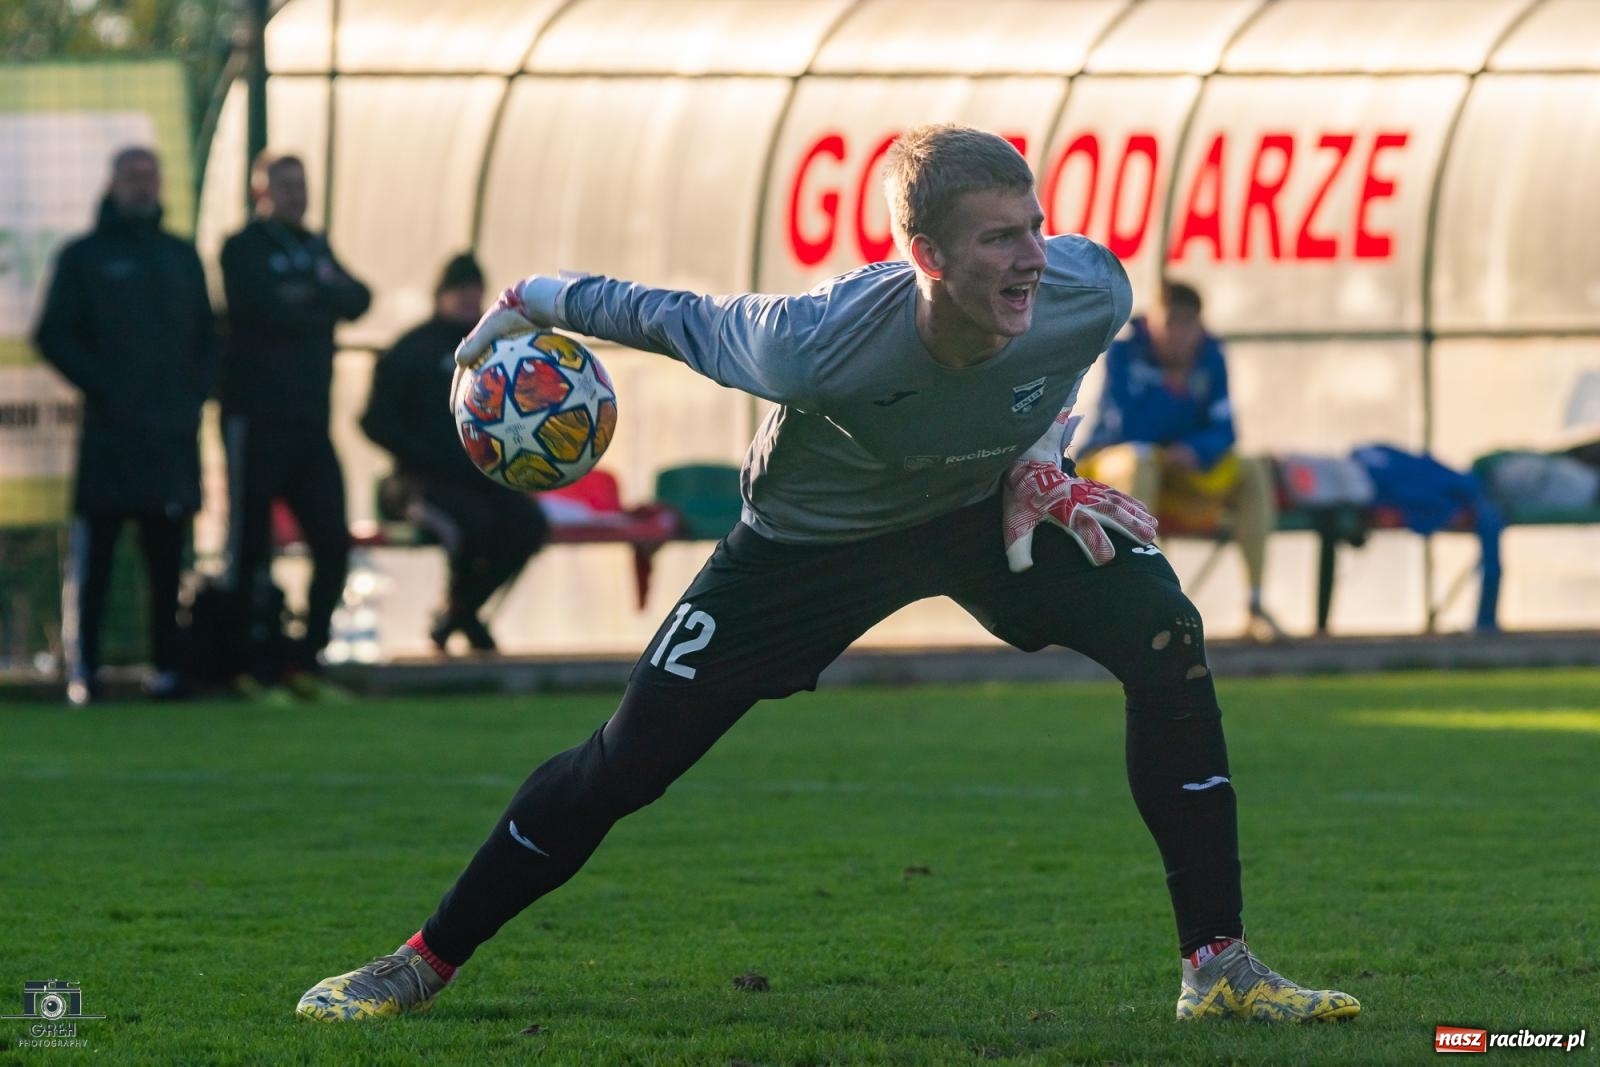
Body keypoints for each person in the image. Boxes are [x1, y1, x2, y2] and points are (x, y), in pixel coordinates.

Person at [296, 125, 1358, 1024]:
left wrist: (1039, 460)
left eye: (1035, 225)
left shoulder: (1088, 287)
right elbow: (667, 315)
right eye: (999, 238)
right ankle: (421, 959)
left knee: (1165, 631)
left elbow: (1063, 361)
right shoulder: (815, 341)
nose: (1033, 256)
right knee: (627, 763)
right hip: (807, 549)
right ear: (925, 255)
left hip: (976, 508)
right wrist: (532, 295)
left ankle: (1218, 965)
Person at [33, 146, 216, 705]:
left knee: (168, 564)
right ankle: (85, 672)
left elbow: (209, 338)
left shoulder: (181, 257)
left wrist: (190, 397)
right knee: (97, 561)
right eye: (132, 176)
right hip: (110, 438)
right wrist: (106, 386)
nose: (142, 185)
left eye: (150, 176)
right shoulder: (84, 257)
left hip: (170, 438)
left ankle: (168, 670)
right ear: (112, 183)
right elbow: (52, 335)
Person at [219, 150, 370, 701]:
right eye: (283, 185)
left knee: (332, 542)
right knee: (250, 548)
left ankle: (306, 662)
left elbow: (360, 298)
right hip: (256, 421)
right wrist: (319, 296)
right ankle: (246, 669)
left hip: (310, 424)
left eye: (300, 184)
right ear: (261, 192)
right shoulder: (243, 247)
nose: (295, 194)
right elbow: (262, 309)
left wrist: (309, 293)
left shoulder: (315, 246)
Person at [1079, 281, 1287, 643]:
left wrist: (1193, 450)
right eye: (1170, 322)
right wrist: (1172, 391)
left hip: (1178, 476)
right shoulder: (1124, 351)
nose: (1178, 334)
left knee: (1253, 470)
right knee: (1141, 460)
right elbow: (1124, 426)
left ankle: (1255, 606)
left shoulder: (1211, 354)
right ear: (1151, 320)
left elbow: (1225, 429)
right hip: (1111, 473)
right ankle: (1139, 602)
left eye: (1188, 323)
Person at [360, 253, 548, 653]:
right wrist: (428, 454)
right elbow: (374, 421)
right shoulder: (411, 350)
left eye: (475, 291)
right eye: (459, 290)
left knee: (528, 525)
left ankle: (461, 612)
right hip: (418, 483)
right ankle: (463, 618)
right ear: (441, 294)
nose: (467, 299)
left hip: (481, 477)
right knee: (470, 525)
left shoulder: (496, 349)